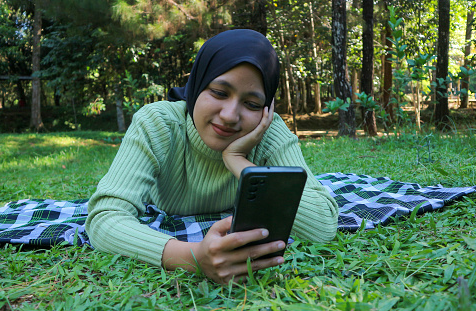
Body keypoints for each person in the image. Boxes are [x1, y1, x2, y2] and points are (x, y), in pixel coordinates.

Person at [86, 29, 338, 284]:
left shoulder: (269, 131)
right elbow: (103, 219)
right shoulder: (157, 124)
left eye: (251, 104)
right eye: (219, 92)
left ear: (265, 109)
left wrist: (240, 161)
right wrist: (192, 256)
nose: (230, 115)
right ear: (197, 85)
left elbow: (323, 227)